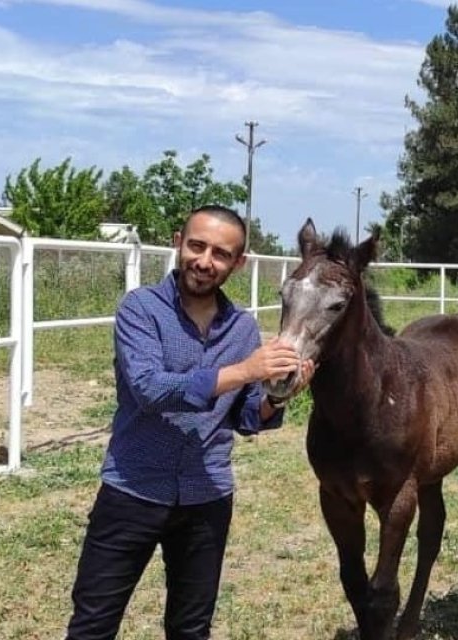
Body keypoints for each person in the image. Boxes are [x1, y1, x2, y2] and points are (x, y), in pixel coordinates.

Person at [65, 205, 315, 639]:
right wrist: (245, 371)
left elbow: (245, 415)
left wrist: (277, 396)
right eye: (197, 246)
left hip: (207, 495)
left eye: (220, 253)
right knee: (93, 625)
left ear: (238, 263)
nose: (204, 260)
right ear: (178, 242)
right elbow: (150, 389)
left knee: (191, 628)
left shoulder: (241, 329)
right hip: (133, 490)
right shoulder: (140, 309)